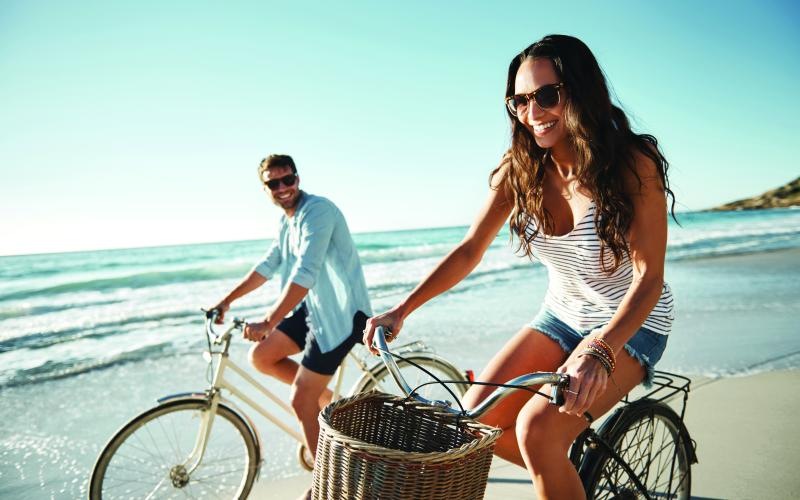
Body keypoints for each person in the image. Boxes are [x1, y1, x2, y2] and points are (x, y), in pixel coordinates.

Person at [363, 34, 675, 499]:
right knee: (474, 425)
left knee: (537, 431)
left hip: (632, 323)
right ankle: (567, 477)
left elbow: (649, 277)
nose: (534, 112)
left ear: (581, 92)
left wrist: (601, 350)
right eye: (520, 101)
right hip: (562, 316)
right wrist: (402, 309)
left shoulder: (632, 162)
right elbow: (470, 249)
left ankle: (554, 457)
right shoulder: (521, 169)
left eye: (547, 95)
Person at [210, 154, 371, 474]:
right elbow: (267, 266)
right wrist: (225, 301)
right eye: (273, 183)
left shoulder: (318, 212)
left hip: (342, 316)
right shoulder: (288, 221)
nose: (282, 187)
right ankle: (327, 403)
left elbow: (305, 273)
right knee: (261, 357)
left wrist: (270, 321)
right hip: (312, 310)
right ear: (265, 188)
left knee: (299, 400)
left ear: (298, 178)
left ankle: (325, 484)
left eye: (288, 179)